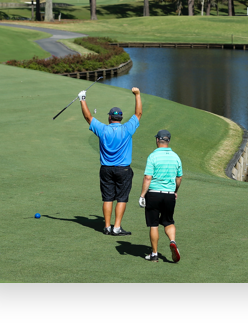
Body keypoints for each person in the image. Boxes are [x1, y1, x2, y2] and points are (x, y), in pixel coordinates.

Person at [78, 87, 142, 236]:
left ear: (109, 118)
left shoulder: (103, 129)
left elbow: (88, 117)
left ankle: (107, 227)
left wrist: (82, 100)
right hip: (123, 169)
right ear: (120, 118)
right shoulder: (127, 129)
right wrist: (137, 95)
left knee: (107, 198)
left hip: (106, 169)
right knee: (121, 198)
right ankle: (117, 228)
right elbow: (138, 113)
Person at [139, 130, 183, 263]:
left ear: (157, 140)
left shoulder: (153, 156)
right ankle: (172, 241)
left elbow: (148, 178)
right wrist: (175, 190)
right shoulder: (176, 157)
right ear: (168, 141)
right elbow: (179, 177)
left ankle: (154, 254)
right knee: (168, 222)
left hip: (153, 195)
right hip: (169, 195)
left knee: (154, 224)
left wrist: (142, 195)